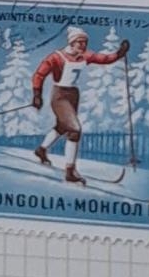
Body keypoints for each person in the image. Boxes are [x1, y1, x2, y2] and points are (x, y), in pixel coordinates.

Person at [30, 26, 128, 185]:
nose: (83, 46)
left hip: (73, 94)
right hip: (60, 95)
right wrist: (37, 94)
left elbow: (103, 59)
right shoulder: (57, 57)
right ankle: (70, 171)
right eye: (80, 42)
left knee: (62, 127)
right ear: (72, 42)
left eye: (85, 42)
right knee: (74, 129)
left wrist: (119, 53)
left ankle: (41, 150)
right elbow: (39, 74)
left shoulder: (84, 56)